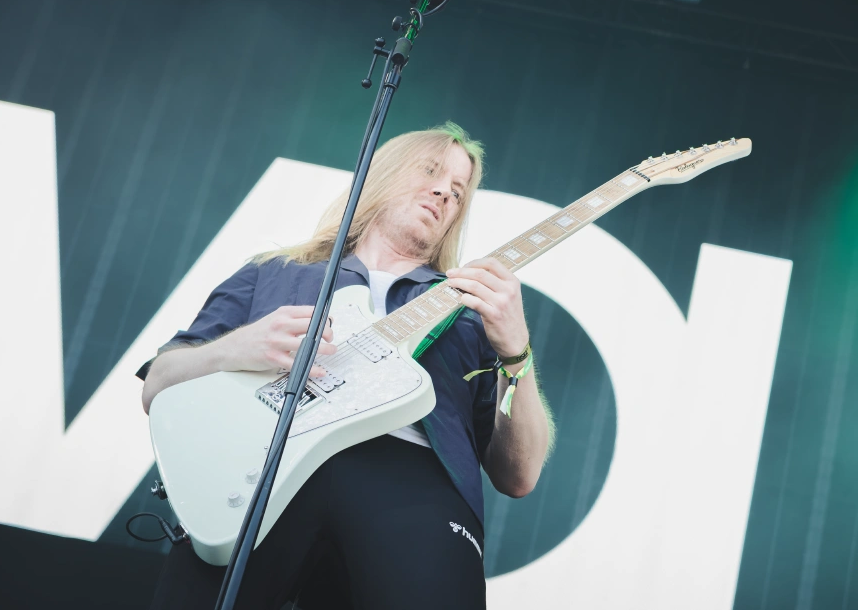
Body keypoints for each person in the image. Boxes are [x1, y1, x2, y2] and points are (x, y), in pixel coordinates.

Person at [138, 123, 552, 610]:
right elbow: (157, 385)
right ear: (383, 174)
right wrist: (237, 348)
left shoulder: (470, 312)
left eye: (458, 192)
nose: (444, 192)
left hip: (412, 481)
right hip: (270, 462)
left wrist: (516, 354)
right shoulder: (274, 272)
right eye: (430, 171)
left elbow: (519, 476)